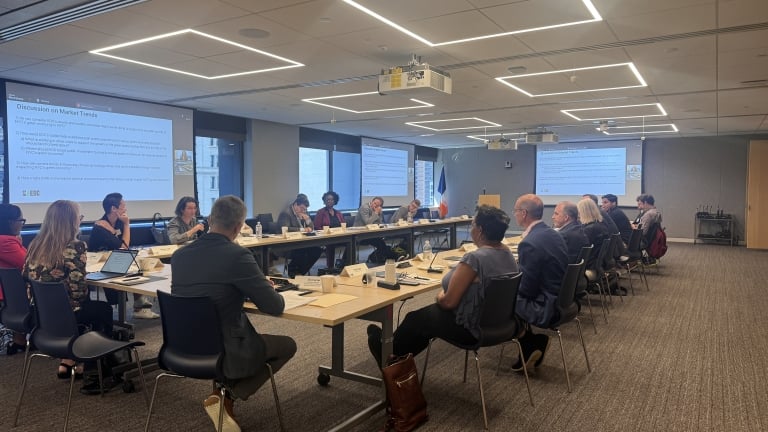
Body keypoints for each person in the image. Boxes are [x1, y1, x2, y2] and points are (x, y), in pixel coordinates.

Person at [171, 195, 297, 432]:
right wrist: (259, 285)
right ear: (239, 227)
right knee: (288, 345)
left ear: (209, 220)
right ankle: (228, 394)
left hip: (182, 345)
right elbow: (274, 306)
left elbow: (205, 288)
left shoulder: (179, 256)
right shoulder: (237, 255)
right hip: (224, 347)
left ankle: (221, 398)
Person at [366, 205, 518, 364]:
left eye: (472, 224)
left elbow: (448, 302)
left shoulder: (475, 259)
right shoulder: (507, 253)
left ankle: (388, 354)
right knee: (425, 323)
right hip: (501, 324)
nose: (471, 228)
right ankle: (399, 358)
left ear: (480, 230)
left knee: (417, 318)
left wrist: (439, 296)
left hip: (471, 328)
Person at [23, 200, 115, 394]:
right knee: (102, 309)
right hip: (67, 316)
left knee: (90, 308)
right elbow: (79, 292)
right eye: (79, 217)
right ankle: (93, 368)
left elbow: (26, 277)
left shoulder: (35, 244)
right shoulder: (75, 246)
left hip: (40, 316)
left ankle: (70, 359)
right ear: (71, 221)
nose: (80, 221)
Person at [513, 194, 569, 371]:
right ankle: (529, 342)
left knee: (496, 299)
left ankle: (528, 341)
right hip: (562, 300)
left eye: (516, 211)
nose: (514, 214)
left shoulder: (530, 243)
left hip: (546, 305)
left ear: (523, 213)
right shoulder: (552, 234)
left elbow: (527, 290)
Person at [88, 193, 158, 319]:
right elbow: (124, 246)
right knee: (131, 266)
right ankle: (139, 304)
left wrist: (124, 225)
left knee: (137, 265)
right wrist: (127, 225)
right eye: (123, 206)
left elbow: (124, 246)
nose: (125, 209)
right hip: (96, 265)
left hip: (113, 260)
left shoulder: (118, 222)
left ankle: (139, 303)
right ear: (114, 209)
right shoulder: (100, 226)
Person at [0, 204, 29, 355]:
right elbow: (29, 264)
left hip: (13, 297)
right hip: (13, 299)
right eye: (21, 220)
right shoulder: (5, 242)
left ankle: (19, 341)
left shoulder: (7, 240)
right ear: (10, 222)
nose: (22, 224)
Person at [277, 194, 322, 277]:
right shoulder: (286, 213)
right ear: (295, 205)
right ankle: (293, 270)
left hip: (301, 242)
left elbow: (312, 227)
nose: (303, 211)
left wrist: (307, 219)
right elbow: (284, 229)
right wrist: (302, 230)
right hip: (287, 244)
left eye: (305, 209)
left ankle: (300, 272)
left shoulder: (303, 211)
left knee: (317, 250)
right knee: (302, 251)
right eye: (302, 208)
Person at [313, 191, 346, 269]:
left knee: (351, 242)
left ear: (335, 201)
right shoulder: (320, 212)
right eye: (328, 199)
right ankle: (330, 267)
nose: (330, 201)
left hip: (339, 236)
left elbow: (343, 225)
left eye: (332, 199)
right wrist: (327, 232)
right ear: (324, 201)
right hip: (326, 237)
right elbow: (317, 227)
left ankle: (344, 263)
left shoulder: (338, 213)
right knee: (331, 244)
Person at [354, 197, 391, 264]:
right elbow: (368, 222)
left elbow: (380, 223)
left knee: (381, 243)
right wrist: (376, 213)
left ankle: (376, 259)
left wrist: (379, 214)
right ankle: (375, 259)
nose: (375, 206)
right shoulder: (364, 208)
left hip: (370, 234)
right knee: (380, 243)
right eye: (374, 203)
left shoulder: (376, 210)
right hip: (360, 235)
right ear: (371, 201)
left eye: (378, 205)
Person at [577, 199, 611, 271]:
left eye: (579, 212)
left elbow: (580, 250)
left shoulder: (589, 230)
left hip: (589, 264)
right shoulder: (600, 224)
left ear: (584, 212)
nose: (578, 215)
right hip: (598, 263)